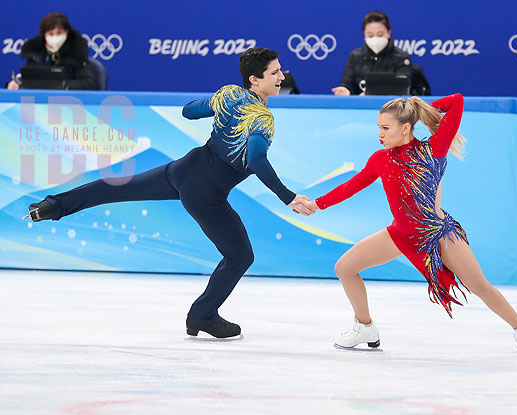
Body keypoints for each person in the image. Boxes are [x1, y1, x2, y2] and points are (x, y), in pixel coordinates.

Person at [24, 47, 315, 338]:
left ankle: (53, 206)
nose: (282, 76)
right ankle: (202, 315)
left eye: (280, 70)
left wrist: (217, 103)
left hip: (184, 169)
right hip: (206, 193)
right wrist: (288, 196)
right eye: (275, 72)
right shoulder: (262, 119)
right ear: (255, 79)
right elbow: (256, 160)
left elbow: (189, 111)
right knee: (240, 257)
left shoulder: (229, 95)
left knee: (115, 189)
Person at [308, 93, 517, 352]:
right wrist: (317, 204)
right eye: (379, 128)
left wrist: (416, 109)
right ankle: (364, 327)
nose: (380, 134)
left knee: (479, 286)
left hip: (436, 235)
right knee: (345, 267)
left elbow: (457, 101)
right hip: (401, 234)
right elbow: (351, 186)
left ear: (405, 128)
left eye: (385, 128)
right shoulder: (379, 160)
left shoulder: (433, 149)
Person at [331, 11, 430, 97]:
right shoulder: (355, 56)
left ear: (389, 31)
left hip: (392, 110)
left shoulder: (401, 57)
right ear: (364, 34)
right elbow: (347, 83)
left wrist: (371, 93)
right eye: (370, 35)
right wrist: (345, 89)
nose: (375, 38)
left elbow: (402, 89)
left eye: (380, 34)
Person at [6, 12, 97, 90]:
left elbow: (88, 83)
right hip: (39, 104)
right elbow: (28, 78)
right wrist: (16, 84)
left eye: (59, 33)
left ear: (67, 32)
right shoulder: (35, 53)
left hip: (68, 103)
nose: (55, 37)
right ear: (44, 34)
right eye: (51, 34)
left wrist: (62, 86)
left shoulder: (76, 53)